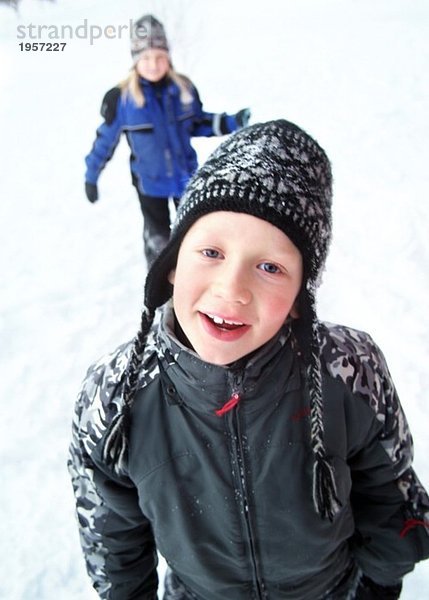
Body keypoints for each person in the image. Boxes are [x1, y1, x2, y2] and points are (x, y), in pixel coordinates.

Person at [69, 120, 429, 599]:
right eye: (212, 251)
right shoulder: (117, 394)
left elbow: (390, 491)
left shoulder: (348, 369)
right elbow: (111, 530)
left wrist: (380, 584)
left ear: (301, 296)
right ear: (173, 264)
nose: (232, 290)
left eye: (270, 267)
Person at [84, 14, 250, 266]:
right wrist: (91, 176)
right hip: (150, 185)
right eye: (146, 58)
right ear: (135, 61)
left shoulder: (182, 89)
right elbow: (104, 143)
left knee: (193, 234)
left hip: (186, 178)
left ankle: (191, 280)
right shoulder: (123, 100)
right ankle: (159, 292)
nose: (153, 64)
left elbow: (198, 122)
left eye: (160, 56)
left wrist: (232, 122)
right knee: (158, 240)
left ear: (168, 57)